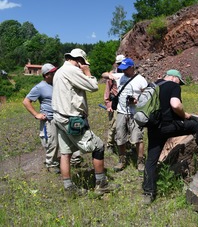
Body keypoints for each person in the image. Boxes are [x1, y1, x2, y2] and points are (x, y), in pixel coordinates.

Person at [52, 48, 119, 196]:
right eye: (83, 63)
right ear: (79, 61)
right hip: (72, 119)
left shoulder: (60, 71)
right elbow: (93, 86)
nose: (84, 66)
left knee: (65, 153)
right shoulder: (72, 70)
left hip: (59, 117)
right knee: (99, 147)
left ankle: (69, 188)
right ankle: (101, 184)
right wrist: (87, 72)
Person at [142, 69, 198, 204]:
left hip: (153, 128)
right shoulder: (173, 85)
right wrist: (184, 115)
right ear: (175, 78)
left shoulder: (152, 85)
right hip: (168, 125)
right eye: (180, 82)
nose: (179, 84)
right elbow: (175, 105)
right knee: (195, 126)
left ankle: (148, 193)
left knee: (151, 160)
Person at [22, 64, 60, 173]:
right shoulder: (40, 87)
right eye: (52, 72)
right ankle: (51, 165)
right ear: (46, 75)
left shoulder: (55, 84)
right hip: (49, 119)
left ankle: (66, 161)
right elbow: (26, 101)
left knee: (63, 141)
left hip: (60, 117)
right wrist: (36, 114)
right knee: (52, 143)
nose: (54, 73)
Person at [112, 58, 148, 173]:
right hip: (121, 112)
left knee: (138, 138)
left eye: (125, 69)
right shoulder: (120, 76)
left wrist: (138, 100)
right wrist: (110, 75)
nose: (123, 71)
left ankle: (140, 162)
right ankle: (122, 160)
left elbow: (148, 96)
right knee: (120, 137)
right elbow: (105, 75)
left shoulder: (141, 80)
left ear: (132, 67)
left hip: (135, 113)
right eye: (122, 69)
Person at [103, 54, 125, 153]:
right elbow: (107, 91)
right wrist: (108, 104)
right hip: (114, 103)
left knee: (126, 125)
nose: (121, 65)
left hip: (124, 103)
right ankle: (110, 144)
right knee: (113, 125)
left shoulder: (128, 74)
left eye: (122, 63)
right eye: (119, 64)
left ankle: (126, 143)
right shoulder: (111, 75)